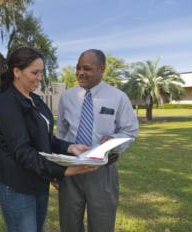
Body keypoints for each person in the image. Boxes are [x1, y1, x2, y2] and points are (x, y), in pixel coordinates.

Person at [0, 47, 98, 232]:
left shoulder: (35, 99)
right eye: (35, 72)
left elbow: (46, 138)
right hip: (17, 184)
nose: (40, 77)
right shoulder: (8, 103)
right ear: (16, 71)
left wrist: (70, 147)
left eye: (41, 72)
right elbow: (23, 152)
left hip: (38, 180)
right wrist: (64, 171)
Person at [56, 49, 139, 232]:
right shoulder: (67, 97)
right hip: (72, 170)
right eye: (78, 68)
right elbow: (61, 133)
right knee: (69, 224)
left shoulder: (118, 97)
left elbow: (130, 131)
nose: (80, 72)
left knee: (102, 225)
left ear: (102, 69)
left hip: (103, 171)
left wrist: (115, 139)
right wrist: (58, 169)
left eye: (87, 68)